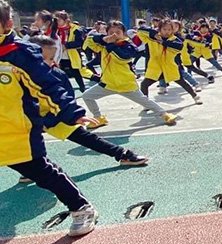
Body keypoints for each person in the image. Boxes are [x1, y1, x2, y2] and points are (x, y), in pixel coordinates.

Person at [0, 0, 99, 236]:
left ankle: (81, 208)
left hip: (17, 130)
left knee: (40, 171)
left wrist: (72, 113)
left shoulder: (19, 54)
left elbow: (48, 86)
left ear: (7, 24)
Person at [27, 34, 148, 168]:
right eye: (44, 59)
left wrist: (74, 115)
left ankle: (122, 154)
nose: (50, 62)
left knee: (84, 137)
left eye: (51, 58)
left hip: (52, 115)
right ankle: (31, 169)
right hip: (25, 119)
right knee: (25, 145)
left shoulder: (55, 74)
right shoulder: (17, 74)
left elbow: (65, 96)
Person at [81, 20, 178, 129]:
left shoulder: (128, 45)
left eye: (118, 32)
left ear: (124, 33)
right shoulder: (104, 44)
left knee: (145, 101)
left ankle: (165, 114)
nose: (114, 35)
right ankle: (98, 118)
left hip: (126, 84)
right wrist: (103, 39)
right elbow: (89, 40)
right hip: (108, 83)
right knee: (87, 96)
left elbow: (122, 58)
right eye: (111, 32)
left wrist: (110, 45)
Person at [138, 19, 202, 105]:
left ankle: (195, 96)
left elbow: (179, 47)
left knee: (182, 82)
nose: (167, 32)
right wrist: (154, 34)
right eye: (164, 29)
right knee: (144, 84)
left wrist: (163, 42)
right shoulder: (151, 38)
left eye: (169, 29)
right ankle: (146, 104)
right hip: (155, 66)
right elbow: (140, 30)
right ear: (159, 29)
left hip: (169, 66)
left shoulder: (175, 39)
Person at [54, 10, 88, 92]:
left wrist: (66, 45)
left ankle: (82, 88)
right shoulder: (55, 30)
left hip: (71, 55)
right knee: (58, 73)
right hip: (58, 56)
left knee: (76, 73)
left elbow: (79, 43)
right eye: (56, 20)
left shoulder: (75, 29)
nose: (57, 22)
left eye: (59, 20)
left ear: (65, 20)